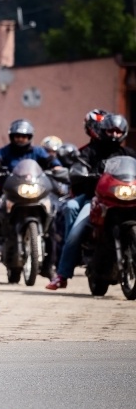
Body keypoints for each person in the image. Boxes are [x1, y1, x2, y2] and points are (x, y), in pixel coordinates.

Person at [47, 113, 136, 290]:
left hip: (126, 198)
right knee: (75, 233)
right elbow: (77, 169)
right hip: (97, 198)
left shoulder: (129, 153)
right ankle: (62, 274)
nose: (115, 135)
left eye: (119, 132)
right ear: (104, 130)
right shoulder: (90, 151)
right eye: (111, 130)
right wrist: (84, 174)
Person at [0, 119, 61, 270]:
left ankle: (49, 267)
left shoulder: (37, 152)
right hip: (8, 193)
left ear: (29, 137)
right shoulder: (5, 151)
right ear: (12, 136)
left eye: (24, 136)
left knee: (52, 224)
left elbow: (51, 161)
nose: (21, 139)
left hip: (35, 193)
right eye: (17, 136)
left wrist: (56, 167)